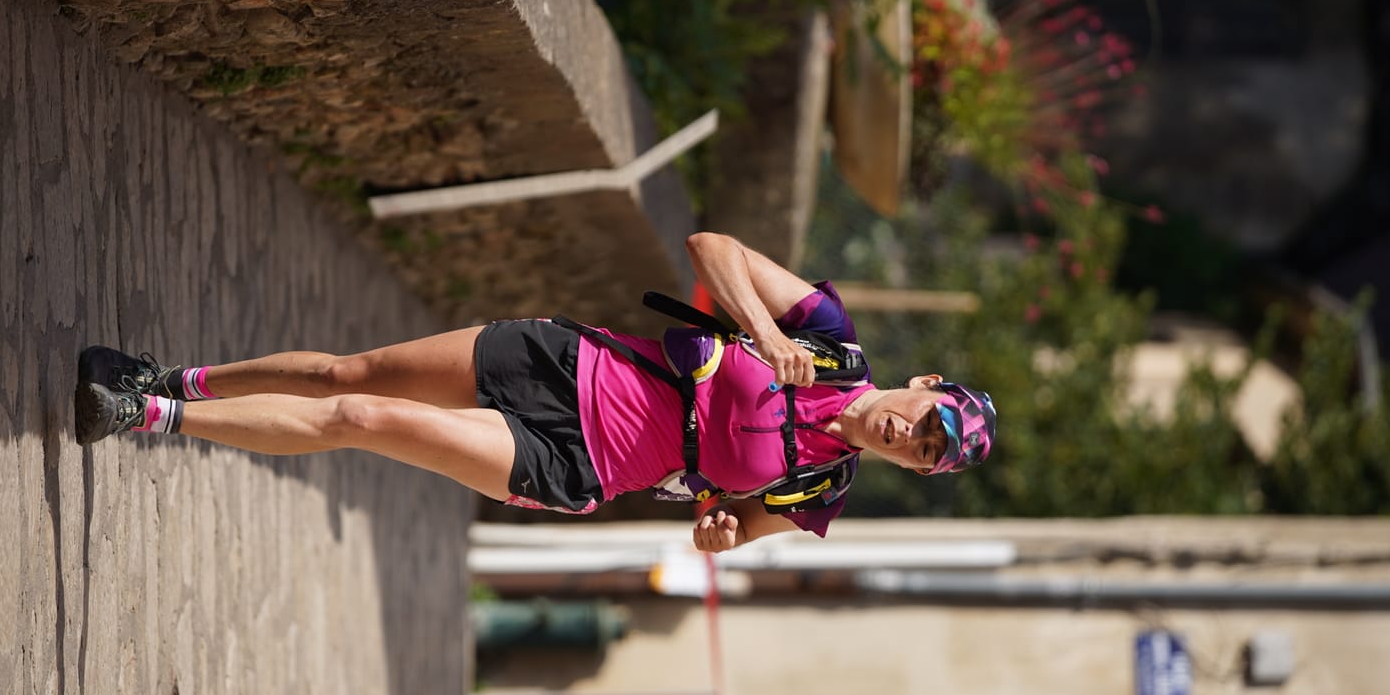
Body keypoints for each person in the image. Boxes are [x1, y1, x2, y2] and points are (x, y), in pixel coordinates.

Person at [75, 232, 996, 552]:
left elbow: (724, 528)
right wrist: (768, 333)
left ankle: (146, 414)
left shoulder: (819, 490)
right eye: (930, 420)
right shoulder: (830, 341)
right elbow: (711, 248)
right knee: (348, 374)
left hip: (573, 462)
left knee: (362, 418)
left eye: (927, 453)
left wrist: (717, 535)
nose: (912, 436)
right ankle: (174, 377)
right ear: (923, 386)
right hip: (561, 362)